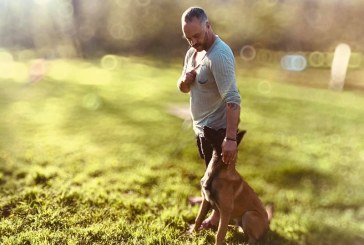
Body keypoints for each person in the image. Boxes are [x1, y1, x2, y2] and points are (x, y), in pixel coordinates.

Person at [177, 7, 241, 229]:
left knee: (218, 179)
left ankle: (215, 218)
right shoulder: (192, 53)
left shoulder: (219, 56)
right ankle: (208, 200)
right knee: (209, 171)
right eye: (188, 38)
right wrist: (185, 80)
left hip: (218, 131)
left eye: (197, 35)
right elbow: (183, 88)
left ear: (208, 26)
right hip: (201, 128)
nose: (193, 41)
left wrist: (230, 139)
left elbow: (233, 99)